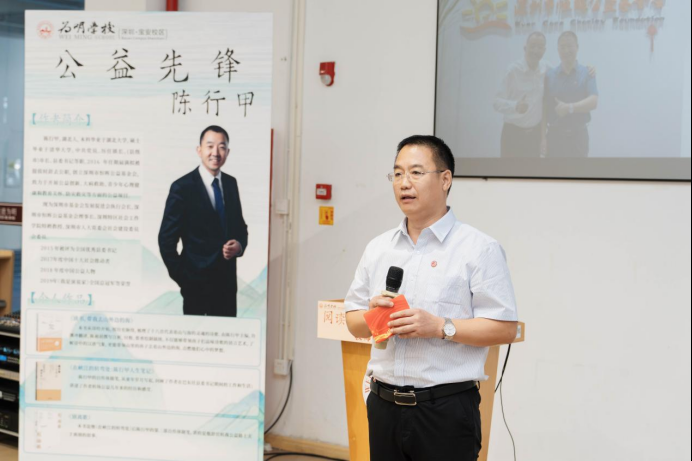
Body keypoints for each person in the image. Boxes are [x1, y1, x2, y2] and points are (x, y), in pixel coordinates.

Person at [344, 135, 518, 461]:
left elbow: (505, 328)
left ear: (445, 179)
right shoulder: (378, 248)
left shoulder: (478, 249)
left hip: (445, 411)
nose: (404, 183)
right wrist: (372, 316)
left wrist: (440, 327)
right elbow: (352, 319)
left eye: (416, 172)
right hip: (383, 406)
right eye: (397, 173)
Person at [158, 125, 248, 317]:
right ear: (199, 150)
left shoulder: (231, 184)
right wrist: (184, 278)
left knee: (226, 335)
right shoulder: (182, 187)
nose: (216, 152)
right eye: (210, 146)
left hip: (226, 287)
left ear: (228, 152)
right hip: (195, 287)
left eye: (222, 147)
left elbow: (240, 227)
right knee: (196, 335)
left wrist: (239, 246)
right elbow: (166, 240)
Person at [543, 31, 599, 158]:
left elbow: (593, 101)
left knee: (579, 171)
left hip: (579, 137)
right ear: (558, 50)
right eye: (562, 47)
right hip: (554, 136)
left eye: (569, 46)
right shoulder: (549, 75)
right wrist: (543, 138)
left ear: (577, 47)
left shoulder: (587, 73)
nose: (566, 50)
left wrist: (569, 108)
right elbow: (544, 108)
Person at [494, 31, 548, 157]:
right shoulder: (513, 70)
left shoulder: (546, 68)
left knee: (532, 169)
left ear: (544, 50)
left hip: (534, 136)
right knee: (509, 169)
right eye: (532, 46)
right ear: (525, 48)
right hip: (513, 135)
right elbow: (496, 102)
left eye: (540, 47)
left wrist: (590, 69)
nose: (536, 50)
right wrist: (515, 106)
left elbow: (563, 70)